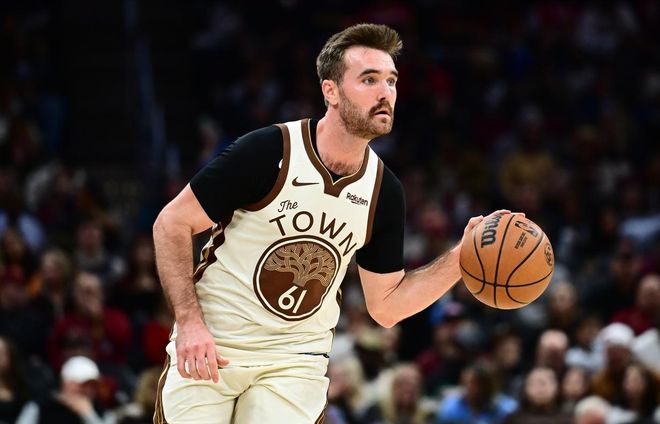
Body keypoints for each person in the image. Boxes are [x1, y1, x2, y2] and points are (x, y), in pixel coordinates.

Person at [153, 23, 511, 423]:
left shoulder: (384, 191)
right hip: (213, 343)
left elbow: (387, 306)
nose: (385, 93)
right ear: (331, 91)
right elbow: (171, 223)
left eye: (391, 81)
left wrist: (460, 258)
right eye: (369, 79)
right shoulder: (267, 151)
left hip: (294, 361)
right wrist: (189, 322)